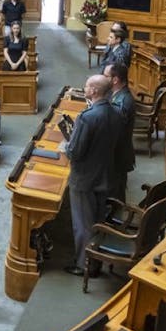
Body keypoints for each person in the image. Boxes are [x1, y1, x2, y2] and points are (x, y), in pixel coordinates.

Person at [64, 74, 122, 277]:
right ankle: (95, 260)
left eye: (87, 85)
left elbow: (75, 152)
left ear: (94, 91)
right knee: (98, 221)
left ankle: (84, 265)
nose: (85, 87)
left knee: (82, 225)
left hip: (84, 180)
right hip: (104, 175)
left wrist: (66, 146)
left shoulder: (87, 117)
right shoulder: (116, 113)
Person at [106, 63, 135, 202]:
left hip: (118, 154)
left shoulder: (124, 100)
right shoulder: (118, 94)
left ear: (115, 80)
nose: (103, 78)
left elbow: (114, 127)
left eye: (106, 76)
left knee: (116, 192)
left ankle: (113, 221)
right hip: (117, 151)